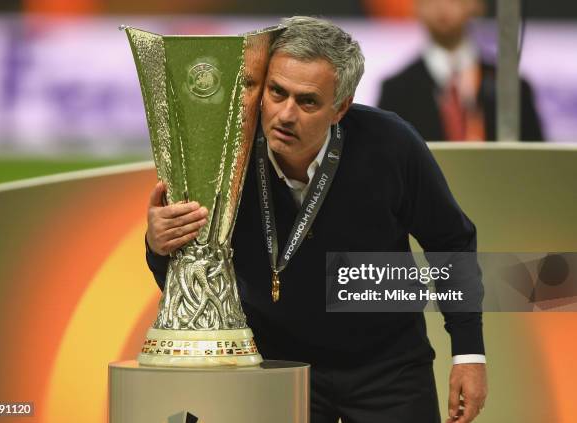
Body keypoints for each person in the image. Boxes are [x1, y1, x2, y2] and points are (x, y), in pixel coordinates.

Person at [145, 16, 487, 423]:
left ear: (340, 107)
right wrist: (158, 244)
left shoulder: (392, 145)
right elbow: (186, 276)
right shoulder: (222, 151)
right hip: (275, 363)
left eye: (307, 101)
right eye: (276, 92)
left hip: (387, 365)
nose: (285, 114)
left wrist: (469, 354)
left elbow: (451, 243)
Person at [378, 0, 544, 141]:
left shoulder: (512, 88)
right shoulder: (396, 91)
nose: (442, 6)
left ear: (477, 4)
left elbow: (536, 162)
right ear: (416, 6)